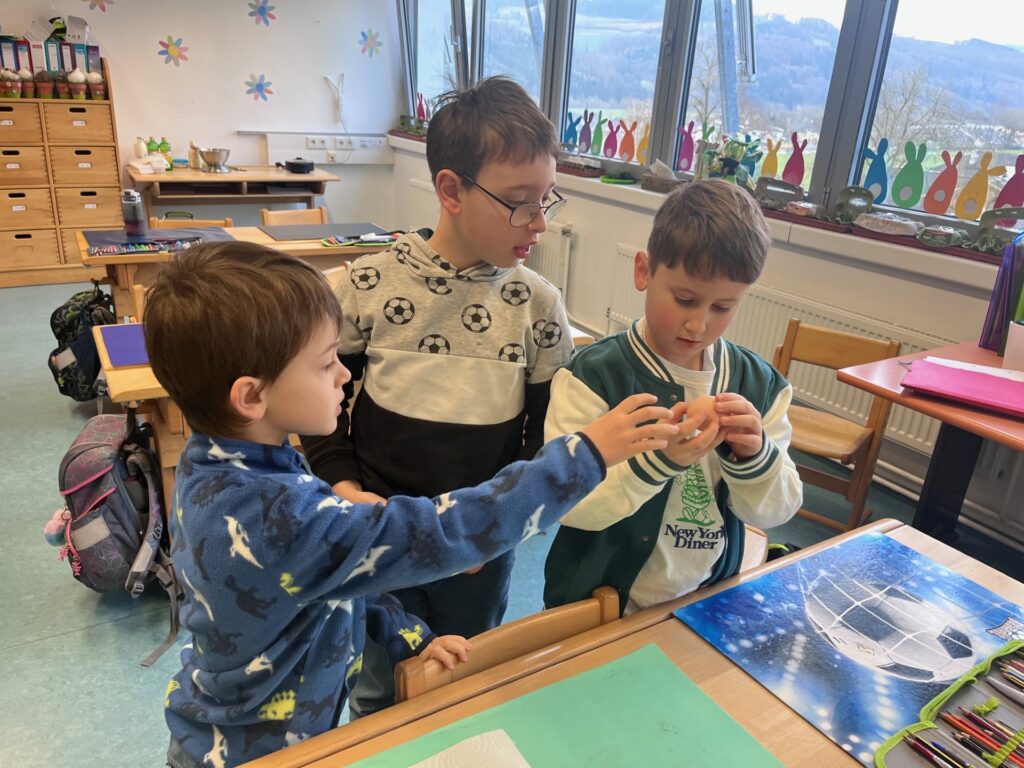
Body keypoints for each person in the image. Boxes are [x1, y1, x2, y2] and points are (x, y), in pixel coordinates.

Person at [145, 242, 679, 768]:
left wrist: (412, 638)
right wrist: (585, 455)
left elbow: (330, 578)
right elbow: (444, 530)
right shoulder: (278, 515)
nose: (344, 375)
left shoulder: (218, 465)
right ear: (251, 397)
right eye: (326, 363)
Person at [301, 76, 572, 715]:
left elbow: (543, 437)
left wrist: (494, 526)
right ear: (450, 190)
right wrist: (344, 489)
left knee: (463, 685)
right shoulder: (366, 286)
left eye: (546, 200)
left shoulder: (537, 305)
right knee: (380, 686)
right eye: (519, 202)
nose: (539, 223)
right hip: (379, 536)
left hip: (478, 550)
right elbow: (320, 407)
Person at [543, 179, 803, 615]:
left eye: (722, 307)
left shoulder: (760, 386)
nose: (698, 325)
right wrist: (657, 463)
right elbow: (565, 504)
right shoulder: (593, 377)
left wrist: (755, 456)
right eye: (685, 299)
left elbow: (777, 511)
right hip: (597, 606)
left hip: (707, 599)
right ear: (643, 271)